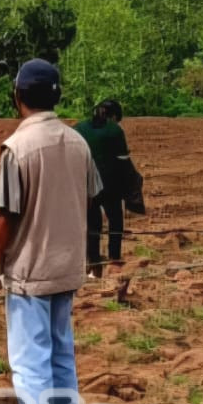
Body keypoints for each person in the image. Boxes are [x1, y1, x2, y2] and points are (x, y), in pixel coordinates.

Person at [0, 59, 100, 404]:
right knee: (61, 351)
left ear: (18, 96)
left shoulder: (19, 147)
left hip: (31, 269)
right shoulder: (78, 142)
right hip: (67, 267)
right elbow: (93, 199)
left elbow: (3, 215)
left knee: (30, 362)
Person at [74, 99, 131, 276]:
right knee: (115, 218)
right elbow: (123, 160)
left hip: (85, 183)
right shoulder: (115, 130)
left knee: (92, 223)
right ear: (113, 116)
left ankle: (93, 263)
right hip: (110, 183)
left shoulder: (78, 129)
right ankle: (114, 259)